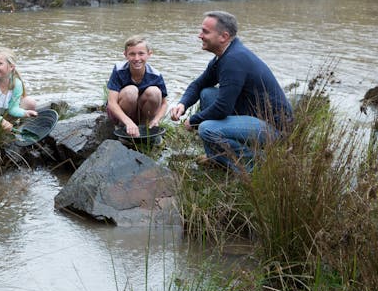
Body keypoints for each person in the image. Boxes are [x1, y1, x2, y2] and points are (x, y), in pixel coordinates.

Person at [169, 11, 293, 172]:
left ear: (224, 36)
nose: (200, 35)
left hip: (273, 128)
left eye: (205, 31)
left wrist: (193, 120)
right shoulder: (225, 55)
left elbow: (222, 108)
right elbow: (199, 84)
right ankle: (217, 158)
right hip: (252, 115)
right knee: (207, 93)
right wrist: (183, 104)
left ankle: (255, 166)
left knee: (206, 128)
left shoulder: (233, 60)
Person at [106, 35, 168, 138]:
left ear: (149, 54)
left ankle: (144, 128)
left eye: (141, 54)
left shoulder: (156, 75)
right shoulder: (118, 70)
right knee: (131, 91)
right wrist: (128, 122)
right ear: (125, 55)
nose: (137, 58)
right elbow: (112, 103)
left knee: (155, 92)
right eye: (132, 54)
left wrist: (156, 119)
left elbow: (164, 104)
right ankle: (122, 128)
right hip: (122, 114)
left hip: (141, 113)